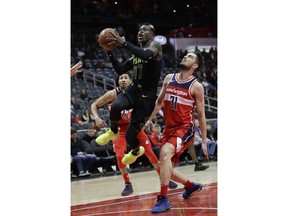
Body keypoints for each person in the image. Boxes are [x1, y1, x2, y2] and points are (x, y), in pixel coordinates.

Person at [91, 72, 177, 196]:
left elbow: (147, 108)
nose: (123, 80)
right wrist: (96, 117)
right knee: (120, 157)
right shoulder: (112, 94)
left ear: (131, 81)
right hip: (119, 130)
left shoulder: (136, 94)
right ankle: (127, 184)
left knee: (150, 152)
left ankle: (163, 178)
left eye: (126, 78)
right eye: (121, 78)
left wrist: (147, 120)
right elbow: (94, 105)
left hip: (134, 126)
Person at [146, 51, 209, 213]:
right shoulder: (169, 78)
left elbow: (201, 115)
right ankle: (190, 186)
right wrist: (149, 119)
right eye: (185, 55)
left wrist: (203, 140)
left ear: (194, 66)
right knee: (165, 169)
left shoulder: (196, 86)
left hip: (185, 127)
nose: (185, 57)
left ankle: (163, 199)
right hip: (169, 127)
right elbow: (159, 103)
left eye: (190, 57)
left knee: (165, 153)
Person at [95, 23, 162, 165]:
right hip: (134, 89)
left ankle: (137, 151)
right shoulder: (135, 55)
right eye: (139, 30)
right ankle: (113, 131)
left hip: (147, 96)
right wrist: (109, 51)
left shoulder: (156, 46)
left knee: (131, 137)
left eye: (144, 30)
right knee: (116, 105)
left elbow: (145, 54)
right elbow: (120, 69)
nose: (140, 32)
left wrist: (124, 43)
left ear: (151, 35)